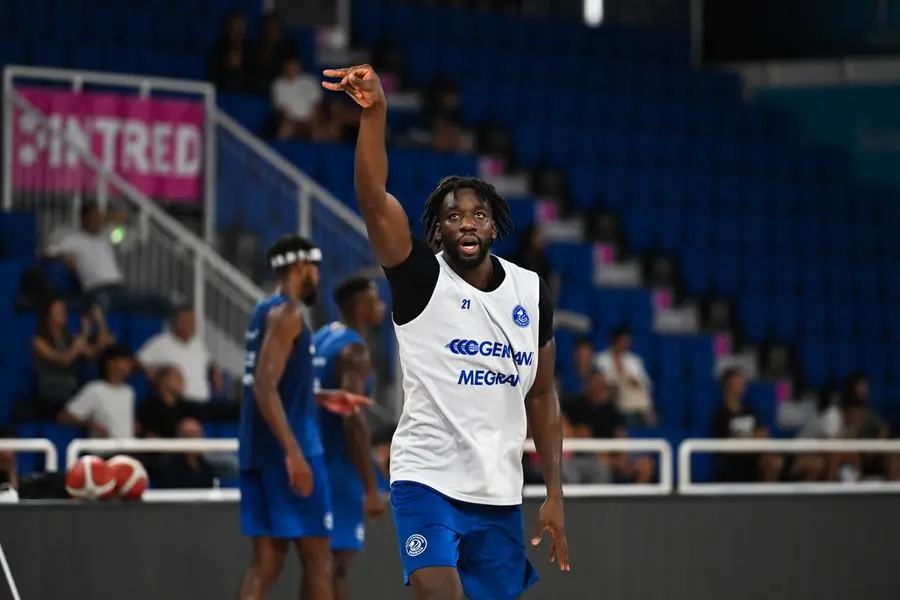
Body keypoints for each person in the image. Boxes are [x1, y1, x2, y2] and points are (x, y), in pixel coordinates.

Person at [323, 65, 569, 600]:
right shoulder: (420, 279)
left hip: (499, 490)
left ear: (493, 226)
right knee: (440, 593)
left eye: (478, 215)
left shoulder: (530, 291)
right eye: (454, 216)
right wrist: (375, 113)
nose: (466, 223)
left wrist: (554, 492)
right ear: (438, 229)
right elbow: (372, 197)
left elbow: (544, 393)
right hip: (426, 478)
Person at [236, 235, 372, 600]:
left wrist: (325, 397)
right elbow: (265, 386)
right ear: (300, 267)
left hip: (257, 452)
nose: (318, 277)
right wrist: (294, 453)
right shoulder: (290, 314)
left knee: (264, 565)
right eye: (315, 269)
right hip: (291, 450)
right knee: (319, 562)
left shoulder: (262, 311)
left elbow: (269, 384)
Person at [313, 276, 388, 600]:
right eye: (375, 299)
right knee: (336, 566)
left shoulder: (321, 338)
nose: (382, 306)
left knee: (320, 565)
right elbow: (353, 422)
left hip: (314, 459)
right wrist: (371, 487)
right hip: (339, 470)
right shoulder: (354, 351)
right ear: (360, 305)